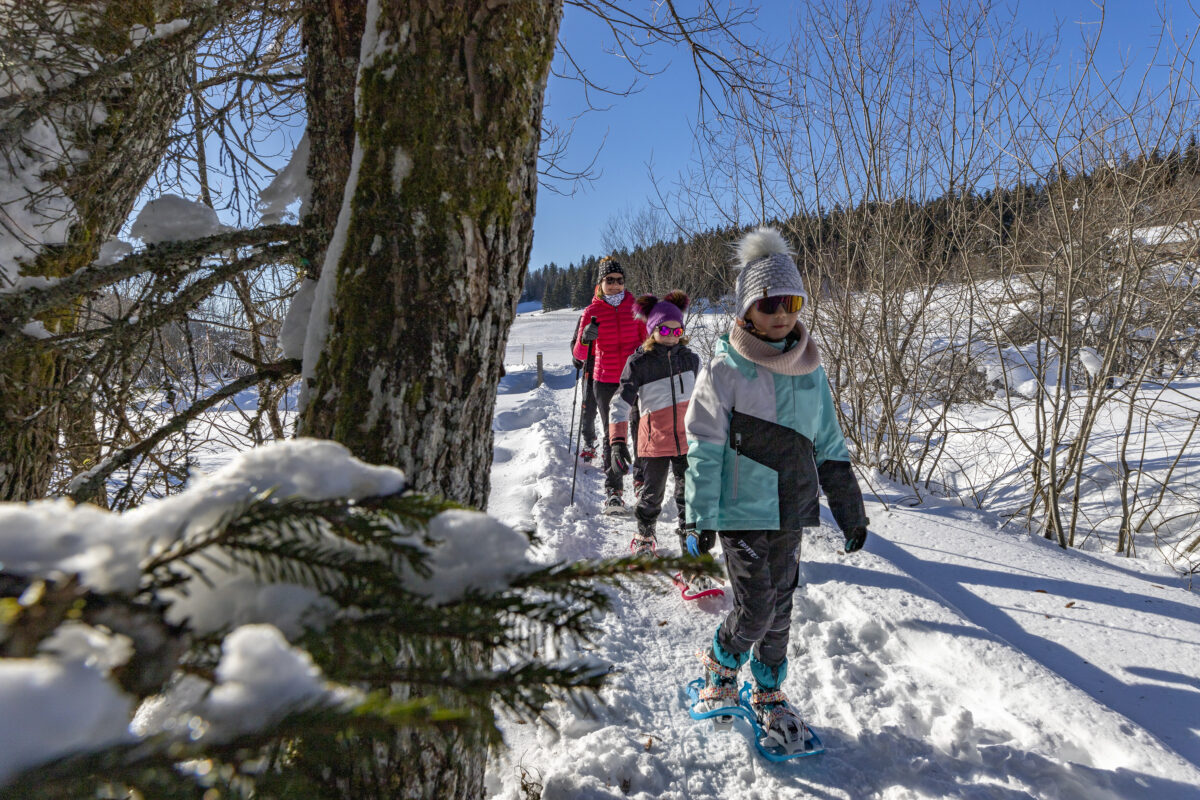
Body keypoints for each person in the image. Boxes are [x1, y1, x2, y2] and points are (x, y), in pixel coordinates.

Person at [684, 227, 870, 754]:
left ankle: (768, 691)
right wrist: (700, 515)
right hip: (740, 510)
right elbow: (702, 444)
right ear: (747, 309)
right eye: (770, 304)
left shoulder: (811, 369)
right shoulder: (725, 368)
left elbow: (830, 444)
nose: (782, 314)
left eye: (791, 302)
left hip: (792, 507)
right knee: (758, 604)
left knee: (782, 604)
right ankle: (720, 663)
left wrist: (850, 511)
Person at [608, 292, 705, 564]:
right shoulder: (639, 363)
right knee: (652, 496)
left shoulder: (692, 360)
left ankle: (690, 547)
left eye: (677, 329)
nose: (672, 334)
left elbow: (706, 400)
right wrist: (616, 441)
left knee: (689, 496)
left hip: (687, 441)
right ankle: (645, 535)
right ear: (652, 331)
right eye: (664, 329)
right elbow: (619, 403)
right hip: (654, 442)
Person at [572, 257, 648, 513]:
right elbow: (580, 356)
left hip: (634, 380)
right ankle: (613, 490)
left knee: (639, 431)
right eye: (609, 280)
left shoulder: (635, 307)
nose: (615, 285)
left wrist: (643, 350)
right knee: (612, 434)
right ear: (601, 283)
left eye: (619, 280)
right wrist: (584, 339)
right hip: (604, 381)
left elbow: (647, 341)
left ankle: (640, 481)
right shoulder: (591, 312)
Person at [570, 311, 599, 462]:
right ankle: (588, 442)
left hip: (612, 367)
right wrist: (576, 358)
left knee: (611, 410)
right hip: (590, 365)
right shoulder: (586, 316)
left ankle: (611, 446)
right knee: (588, 407)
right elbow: (575, 341)